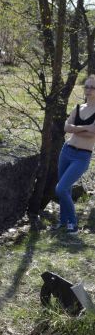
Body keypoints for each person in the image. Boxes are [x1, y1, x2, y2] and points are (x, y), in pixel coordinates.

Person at [53, 74, 95, 234]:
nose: (89, 90)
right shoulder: (78, 108)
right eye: (87, 86)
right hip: (67, 151)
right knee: (66, 189)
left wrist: (75, 128)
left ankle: (73, 223)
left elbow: (93, 133)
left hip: (82, 156)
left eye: (92, 87)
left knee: (60, 189)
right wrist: (84, 128)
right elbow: (66, 127)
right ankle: (63, 222)